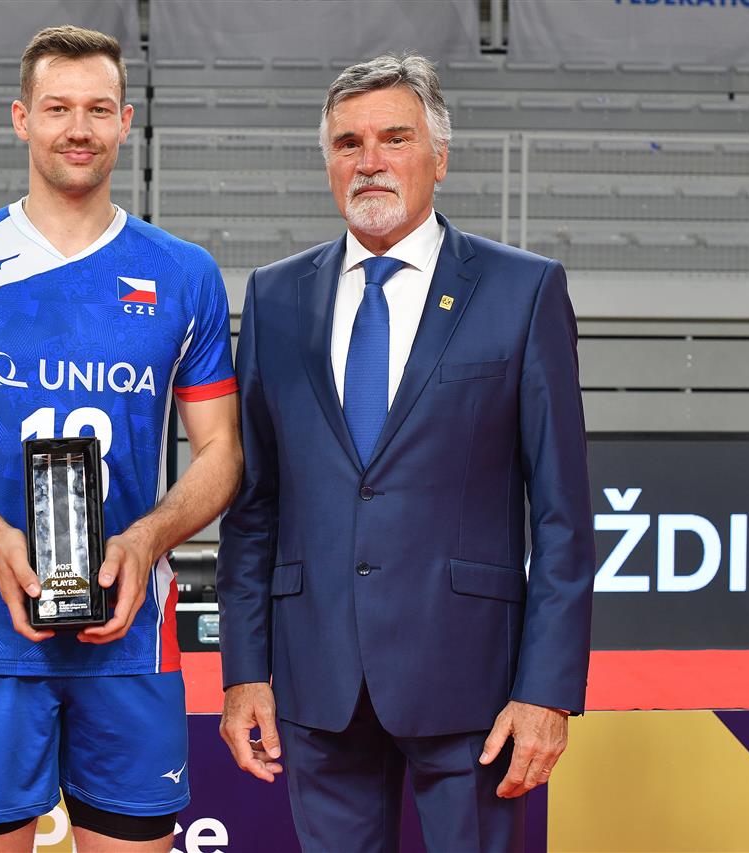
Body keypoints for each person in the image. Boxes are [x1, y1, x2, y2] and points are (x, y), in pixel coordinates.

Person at [0, 26, 241, 853]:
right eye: (58, 108)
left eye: (98, 109)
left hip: (133, 635)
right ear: (21, 118)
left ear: (126, 121)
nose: (78, 128)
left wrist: (147, 539)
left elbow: (222, 452)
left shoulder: (185, 274)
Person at [216, 53, 595, 852]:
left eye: (395, 138)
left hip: (476, 689)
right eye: (348, 143)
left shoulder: (523, 290)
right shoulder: (274, 296)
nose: (371, 161)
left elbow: (563, 513)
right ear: (328, 163)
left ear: (440, 157)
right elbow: (255, 506)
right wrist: (244, 670)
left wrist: (548, 690)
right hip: (317, 682)